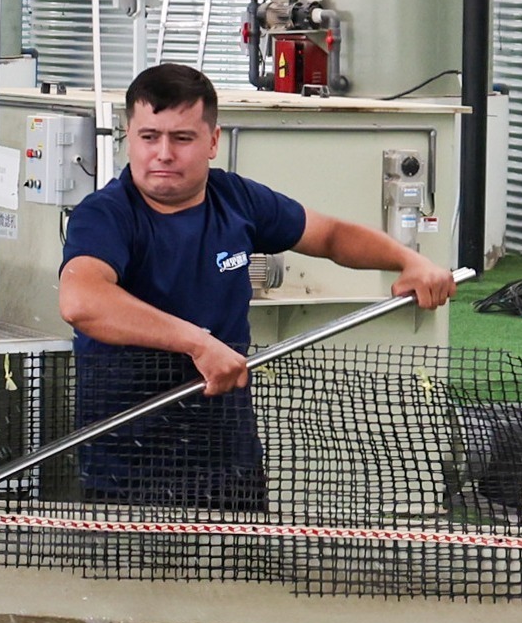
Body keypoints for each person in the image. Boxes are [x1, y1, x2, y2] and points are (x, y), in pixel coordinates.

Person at [57, 62, 457, 509]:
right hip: (128, 462)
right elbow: (82, 301)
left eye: (182, 138)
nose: (163, 153)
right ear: (128, 137)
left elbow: (330, 235)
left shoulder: (238, 200)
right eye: (149, 137)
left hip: (229, 455)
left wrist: (409, 260)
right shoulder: (106, 215)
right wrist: (197, 343)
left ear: (213, 141)